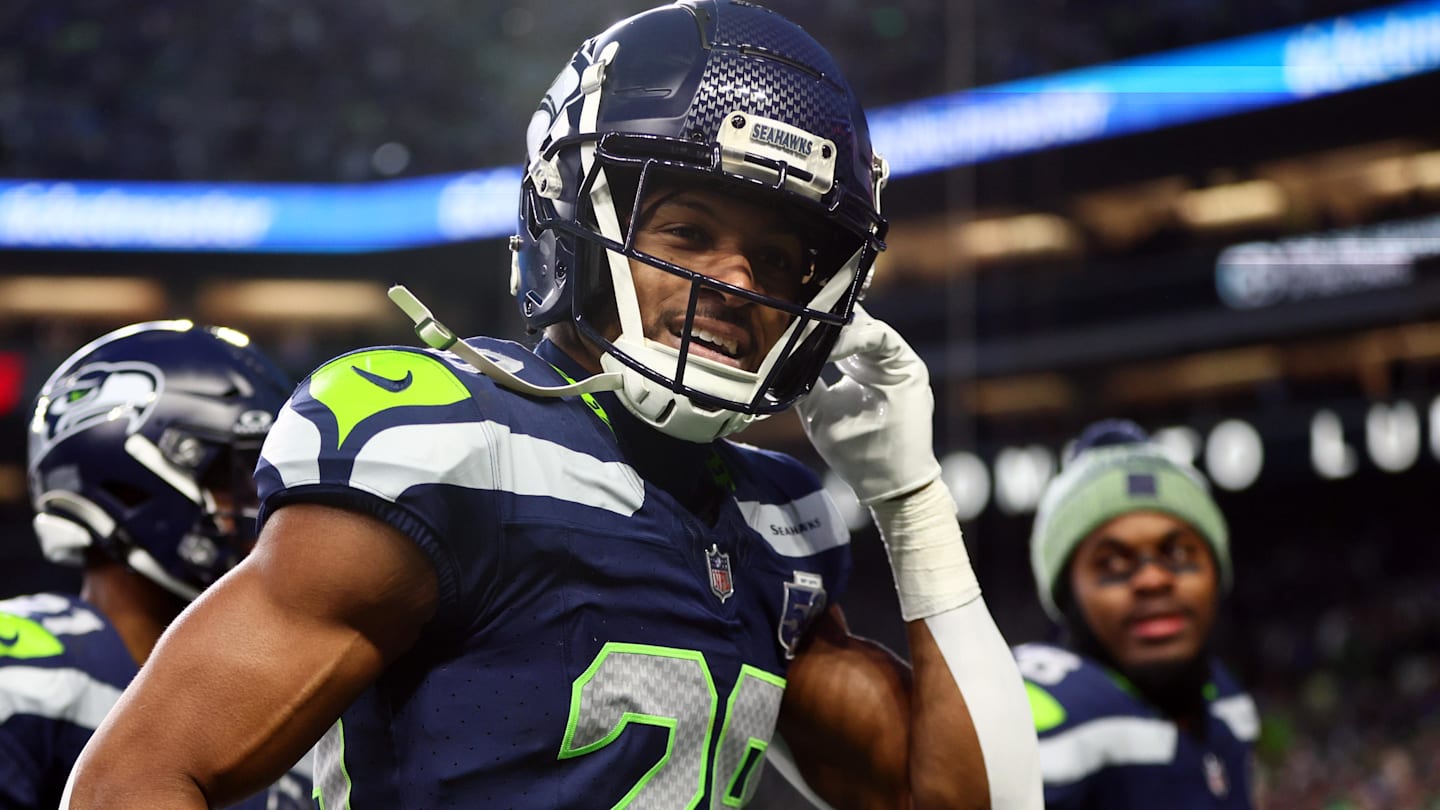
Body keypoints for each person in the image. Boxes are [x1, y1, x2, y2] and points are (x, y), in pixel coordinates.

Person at [63, 2, 1042, 807]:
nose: (737, 282)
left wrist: (911, 502)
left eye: (778, 259)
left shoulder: (775, 524)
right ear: (575, 221)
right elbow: (136, 777)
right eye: (689, 229)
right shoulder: (451, 443)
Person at [7, 320, 311, 809]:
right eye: (236, 479)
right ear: (128, 481)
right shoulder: (29, 666)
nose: (263, 509)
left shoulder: (300, 699)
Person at [1013, 420, 1260, 808]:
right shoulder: (1034, 713)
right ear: (1068, 594)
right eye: (1112, 563)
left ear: (1217, 573)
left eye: (1179, 555)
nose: (1152, 579)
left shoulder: (1223, 697)